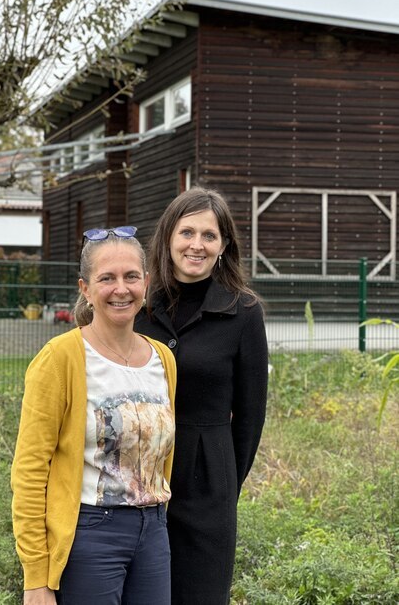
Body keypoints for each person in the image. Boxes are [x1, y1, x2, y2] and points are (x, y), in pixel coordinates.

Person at [11, 226, 177, 605]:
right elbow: (30, 470)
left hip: (154, 532)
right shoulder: (61, 358)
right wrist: (36, 578)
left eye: (131, 276)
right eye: (107, 278)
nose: (121, 289)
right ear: (85, 288)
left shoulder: (163, 360)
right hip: (89, 535)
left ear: (146, 283)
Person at [135, 187, 269, 605]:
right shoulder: (137, 305)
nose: (197, 245)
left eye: (209, 235)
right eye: (186, 232)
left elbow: (250, 415)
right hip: (135, 476)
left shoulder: (243, 312)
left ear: (224, 245)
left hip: (208, 479)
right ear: (168, 238)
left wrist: (224, 479)